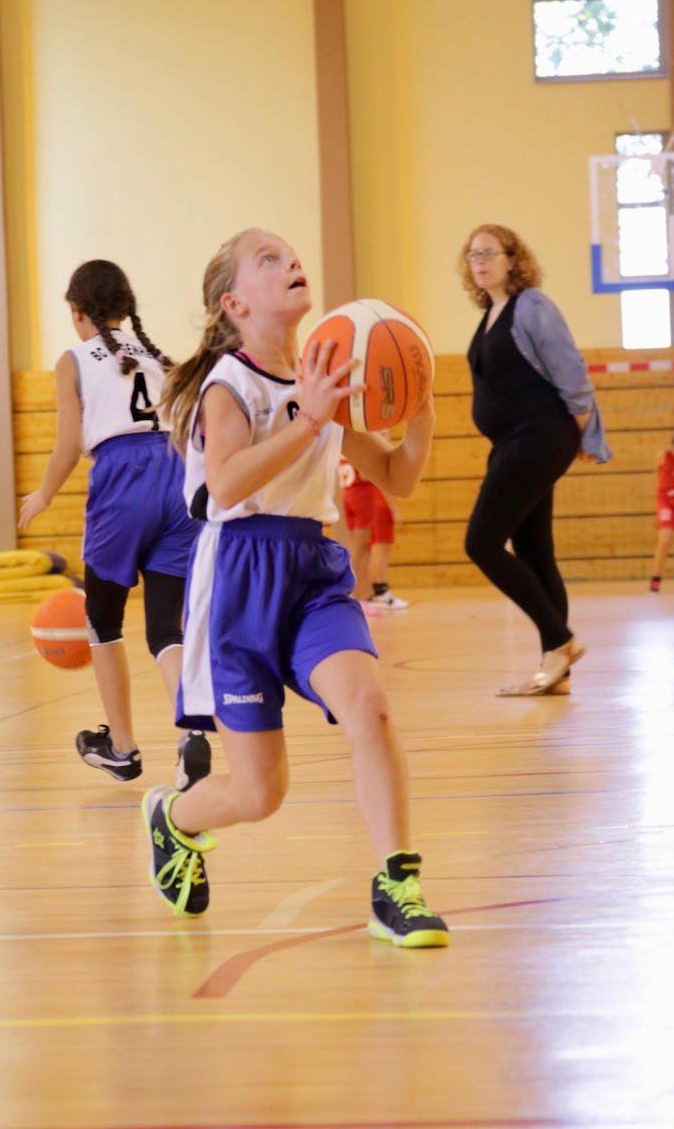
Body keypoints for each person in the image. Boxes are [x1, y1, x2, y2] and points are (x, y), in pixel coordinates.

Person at [142, 227, 449, 950]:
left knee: (369, 708)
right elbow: (225, 485)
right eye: (268, 260)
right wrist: (310, 418)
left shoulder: (328, 377)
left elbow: (397, 476)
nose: (291, 262)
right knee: (260, 794)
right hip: (238, 576)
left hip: (312, 569)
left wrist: (421, 410)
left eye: (291, 254)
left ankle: (396, 886)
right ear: (235, 303)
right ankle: (173, 819)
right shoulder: (230, 384)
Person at [18, 259, 213, 789]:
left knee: (103, 621)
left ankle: (122, 749)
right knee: (166, 629)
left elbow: (67, 446)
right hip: (178, 475)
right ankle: (192, 731)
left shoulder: (72, 360)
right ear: (126, 309)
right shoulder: (159, 357)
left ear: (77, 312)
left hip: (124, 479)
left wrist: (43, 494)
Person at [458, 224, 612, 697]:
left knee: (482, 542)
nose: (479, 262)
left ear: (512, 259)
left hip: (538, 436)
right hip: (514, 443)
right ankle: (557, 670)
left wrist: (582, 432)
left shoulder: (531, 305)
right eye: (473, 255)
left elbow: (571, 371)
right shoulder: (490, 313)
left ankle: (560, 640)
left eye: (489, 253)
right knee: (534, 552)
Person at [339, 455, 409, 609]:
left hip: (348, 493)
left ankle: (362, 595)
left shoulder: (343, 450)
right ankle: (356, 596)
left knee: (356, 548)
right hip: (361, 494)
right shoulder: (361, 447)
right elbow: (367, 474)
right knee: (361, 549)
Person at [650, 430, 674, 591]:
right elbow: (658, 476)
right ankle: (656, 579)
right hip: (666, 501)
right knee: (665, 539)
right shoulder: (662, 456)